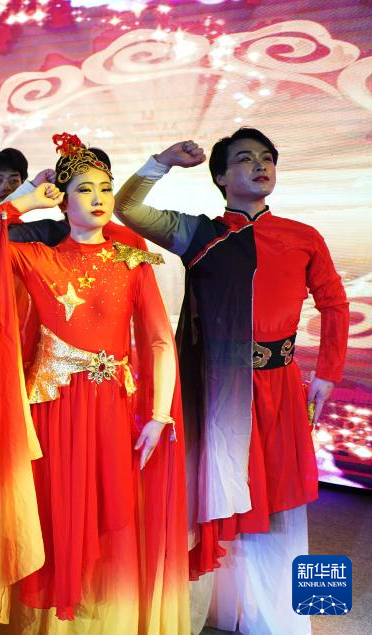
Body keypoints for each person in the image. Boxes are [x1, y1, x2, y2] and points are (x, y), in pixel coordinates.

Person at [113, 128, 350, 634]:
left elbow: (334, 303)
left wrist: (328, 372)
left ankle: (286, 618)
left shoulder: (303, 236)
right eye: (244, 159)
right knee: (219, 491)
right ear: (220, 176)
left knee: (283, 500)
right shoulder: (201, 235)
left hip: (281, 385)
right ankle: (221, 610)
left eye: (267, 158)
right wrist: (162, 161)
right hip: (220, 389)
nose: (260, 166)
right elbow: (126, 208)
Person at [0, 133, 189, 632]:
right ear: (63, 201)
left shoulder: (131, 261)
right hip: (52, 407)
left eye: (105, 187)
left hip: (111, 407)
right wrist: (25, 201)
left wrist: (159, 414)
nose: (99, 197)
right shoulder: (38, 258)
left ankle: (102, 620)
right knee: (56, 510)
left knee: (109, 513)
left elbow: (158, 341)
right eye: (85, 189)